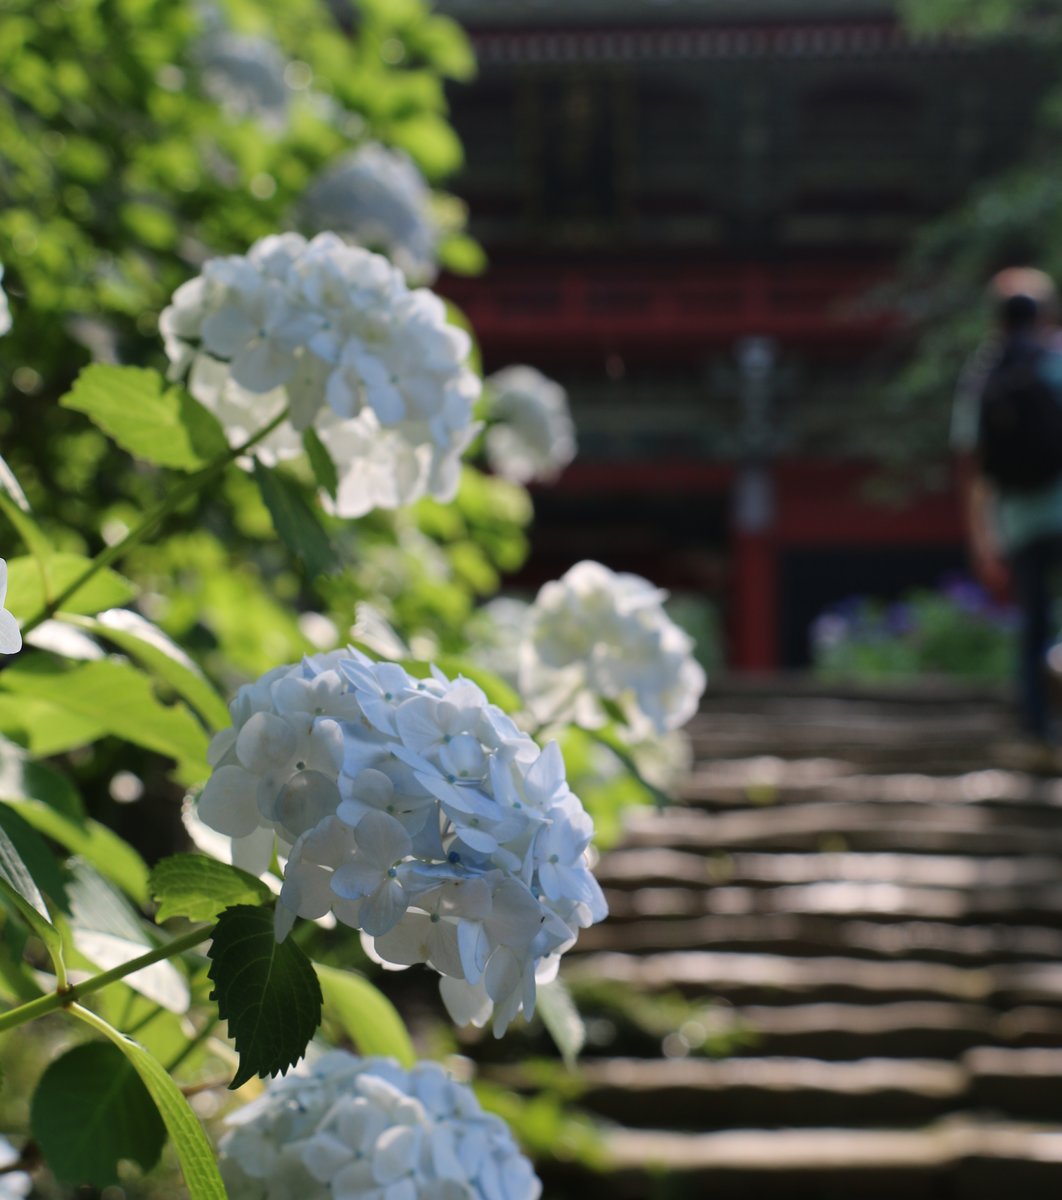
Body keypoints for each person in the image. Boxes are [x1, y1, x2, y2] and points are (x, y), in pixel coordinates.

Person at [953, 267, 1062, 741]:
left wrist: (983, 541)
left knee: (1033, 625)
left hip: (1018, 522)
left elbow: (973, 467)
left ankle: (1037, 729)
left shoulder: (983, 373)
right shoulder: (1056, 361)